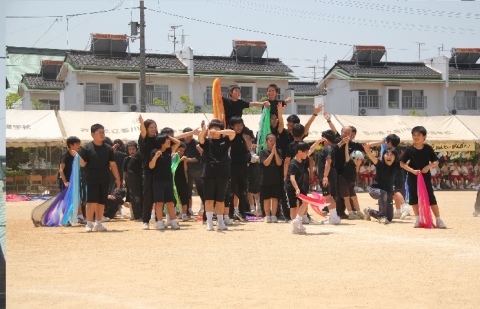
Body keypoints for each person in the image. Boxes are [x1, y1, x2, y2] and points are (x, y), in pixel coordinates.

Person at [400, 126, 447, 229]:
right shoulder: (409, 150)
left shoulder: (428, 149)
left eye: (418, 135)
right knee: (414, 198)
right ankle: (418, 219)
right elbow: (402, 163)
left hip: (425, 177)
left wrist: (428, 166)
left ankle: (438, 219)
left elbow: (436, 162)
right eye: (414, 135)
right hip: (413, 177)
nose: (416, 137)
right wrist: (412, 171)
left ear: (424, 136)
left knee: (431, 197)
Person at [79, 124, 121, 232]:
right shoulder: (86, 148)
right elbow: (83, 164)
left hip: (104, 177)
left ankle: (98, 223)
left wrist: (118, 178)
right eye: (99, 132)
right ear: (92, 134)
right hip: (90, 178)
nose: (102, 134)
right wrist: (77, 157)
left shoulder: (108, 148)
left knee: (102, 201)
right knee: (91, 201)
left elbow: (112, 164)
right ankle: (89, 223)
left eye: (103, 132)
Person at [198, 119, 236, 231]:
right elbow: (200, 139)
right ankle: (209, 222)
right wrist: (204, 131)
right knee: (208, 199)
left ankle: (220, 222)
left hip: (223, 173)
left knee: (220, 199)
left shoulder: (225, 140)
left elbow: (233, 133)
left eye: (217, 128)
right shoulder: (207, 141)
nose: (214, 131)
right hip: (209, 172)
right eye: (212, 128)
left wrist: (218, 133)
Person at [222, 84, 270, 162]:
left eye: (239, 91)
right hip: (230, 123)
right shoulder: (226, 101)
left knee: (247, 136)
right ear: (230, 93)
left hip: (240, 123)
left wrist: (262, 103)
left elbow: (251, 104)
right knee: (228, 138)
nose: (238, 93)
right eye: (236, 91)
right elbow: (217, 96)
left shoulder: (240, 102)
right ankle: (228, 154)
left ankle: (252, 154)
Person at [285, 140, 324, 234]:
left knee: (306, 201)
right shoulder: (293, 164)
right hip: (291, 187)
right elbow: (292, 178)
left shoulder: (302, 159)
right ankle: (294, 226)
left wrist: (318, 142)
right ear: (299, 152)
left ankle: (297, 220)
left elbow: (311, 150)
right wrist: (296, 189)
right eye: (305, 152)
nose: (307, 154)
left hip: (300, 185)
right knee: (293, 206)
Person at [149, 134, 181, 230]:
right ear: (161, 142)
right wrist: (155, 157)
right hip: (158, 181)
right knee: (159, 203)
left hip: (168, 180)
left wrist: (168, 136)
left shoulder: (168, 151)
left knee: (170, 202)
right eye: (166, 140)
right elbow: (151, 166)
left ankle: (173, 221)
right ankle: (159, 222)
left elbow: (178, 142)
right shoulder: (154, 151)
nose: (169, 142)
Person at [362, 144, 400, 224]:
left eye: (391, 155)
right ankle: (382, 216)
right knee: (383, 193)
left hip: (388, 192)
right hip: (374, 190)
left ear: (395, 157)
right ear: (383, 156)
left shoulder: (396, 165)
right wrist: (368, 151)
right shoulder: (380, 164)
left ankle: (369, 211)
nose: (389, 157)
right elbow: (372, 158)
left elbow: (405, 163)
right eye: (387, 154)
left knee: (389, 217)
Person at [317, 130, 344, 225]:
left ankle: (334, 217)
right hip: (331, 174)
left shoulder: (328, 148)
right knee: (330, 196)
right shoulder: (331, 148)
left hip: (328, 175)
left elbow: (328, 162)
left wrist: (325, 176)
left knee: (328, 196)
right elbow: (337, 146)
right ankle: (334, 216)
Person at [58, 136, 85, 223]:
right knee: (65, 200)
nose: (79, 145)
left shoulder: (77, 155)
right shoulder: (65, 156)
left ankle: (80, 216)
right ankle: (65, 219)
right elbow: (61, 170)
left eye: (79, 143)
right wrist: (65, 182)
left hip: (75, 180)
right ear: (71, 145)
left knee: (77, 197)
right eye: (77, 143)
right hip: (66, 181)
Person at [260, 133, 283, 223]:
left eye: (274, 141)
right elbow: (266, 163)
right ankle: (267, 215)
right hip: (265, 178)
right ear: (266, 142)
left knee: (275, 198)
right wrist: (271, 154)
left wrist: (275, 153)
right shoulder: (263, 152)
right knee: (266, 198)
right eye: (271, 141)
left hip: (276, 178)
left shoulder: (279, 151)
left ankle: (274, 215)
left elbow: (279, 163)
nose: (273, 143)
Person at [338, 143, 365, 220]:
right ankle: (350, 213)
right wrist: (346, 144)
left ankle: (358, 212)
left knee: (354, 197)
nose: (361, 161)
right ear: (354, 158)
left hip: (350, 183)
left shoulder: (356, 166)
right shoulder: (349, 162)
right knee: (347, 198)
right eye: (360, 160)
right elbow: (346, 153)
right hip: (343, 181)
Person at [182, 126, 205, 216]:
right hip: (184, 170)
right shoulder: (181, 143)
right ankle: (187, 209)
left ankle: (204, 208)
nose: (188, 138)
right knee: (186, 190)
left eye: (190, 136)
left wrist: (187, 160)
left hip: (196, 170)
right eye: (187, 136)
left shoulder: (196, 144)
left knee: (200, 189)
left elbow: (198, 158)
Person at [124, 141, 143, 221]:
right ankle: (134, 214)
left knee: (141, 196)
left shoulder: (140, 158)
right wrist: (123, 180)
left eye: (133, 149)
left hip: (140, 180)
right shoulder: (127, 159)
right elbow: (124, 170)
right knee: (131, 197)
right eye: (129, 149)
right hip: (131, 181)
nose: (131, 151)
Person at [175, 142, 190, 222]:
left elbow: (185, 170)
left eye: (183, 151)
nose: (181, 152)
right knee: (176, 196)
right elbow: (173, 166)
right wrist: (180, 160)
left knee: (184, 196)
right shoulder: (173, 157)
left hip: (182, 179)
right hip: (174, 179)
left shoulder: (184, 158)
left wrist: (184, 162)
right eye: (180, 150)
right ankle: (178, 212)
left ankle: (184, 213)